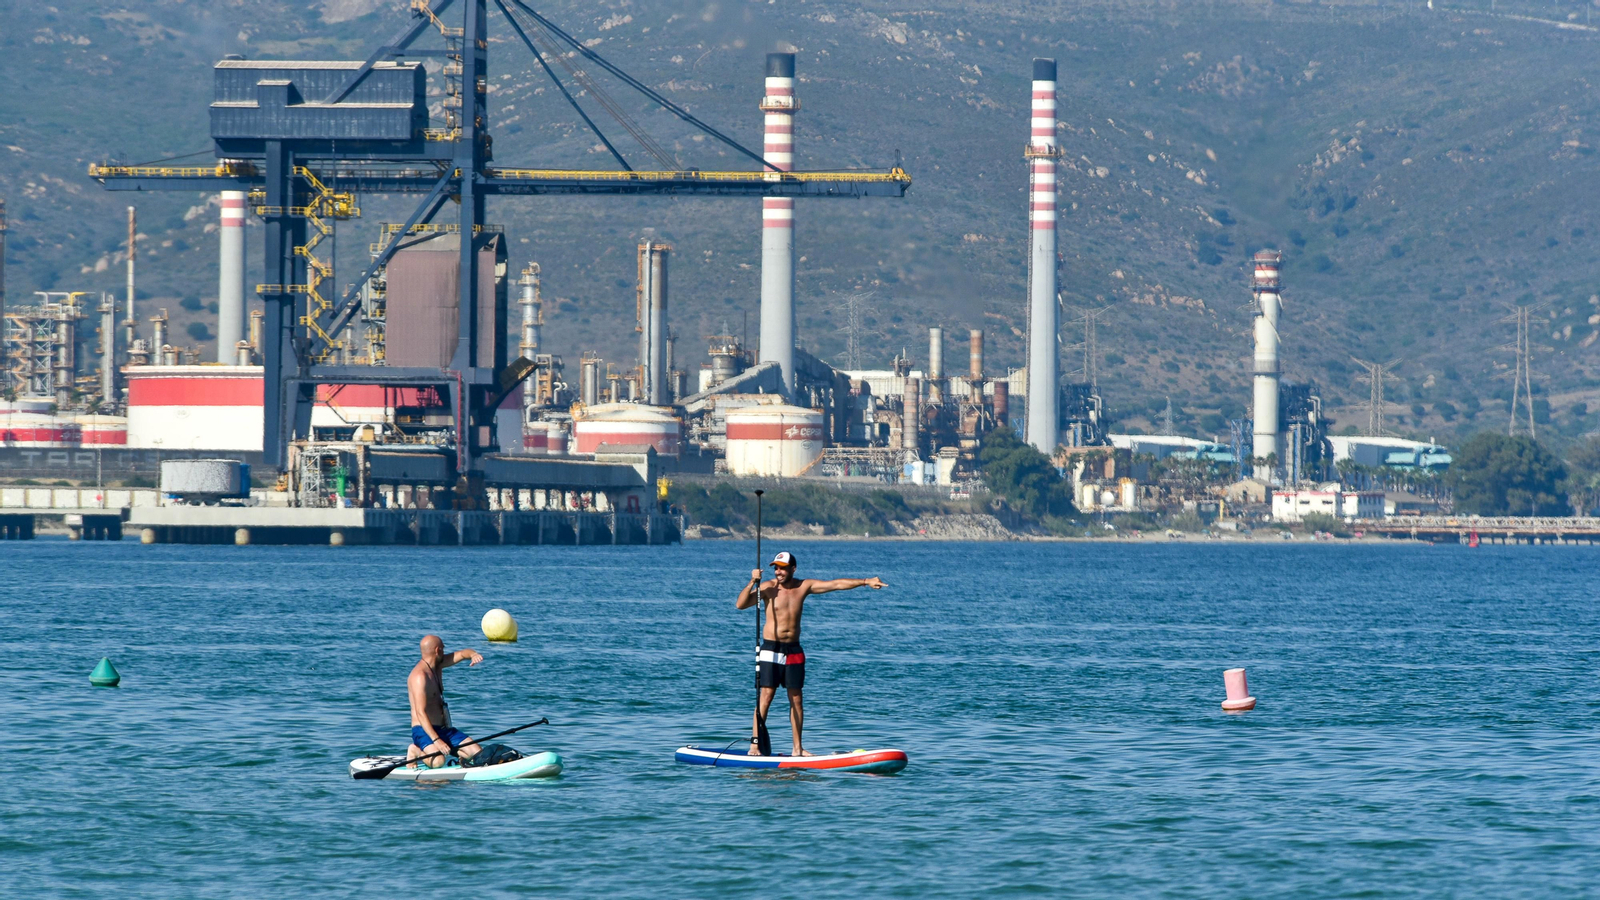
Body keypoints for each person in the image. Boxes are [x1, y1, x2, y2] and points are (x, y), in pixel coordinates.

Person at [735, 551, 886, 757]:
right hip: (771, 648)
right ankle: (755, 745)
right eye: (776, 568)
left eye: (783, 568)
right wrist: (753, 581)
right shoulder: (768, 588)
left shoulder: (803, 586)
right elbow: (741, 604)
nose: (778, 572)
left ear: (793, 569)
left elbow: (835, 584)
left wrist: (865, 581)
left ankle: (797, 748)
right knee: (766, 696)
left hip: (794, 649)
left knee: (796, 699)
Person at [406, 634, 484, 768]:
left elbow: (461, 654)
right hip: (423, 731)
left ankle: (452, 752)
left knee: (477, 753)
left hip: (444, 729)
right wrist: (437, 741)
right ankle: (415, 750)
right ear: (437, 650)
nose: (445, 650)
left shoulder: (437, 665)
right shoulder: (420, 677)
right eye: (443, 648)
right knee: (438, 762)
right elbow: (420, 713)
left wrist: (473, 654)